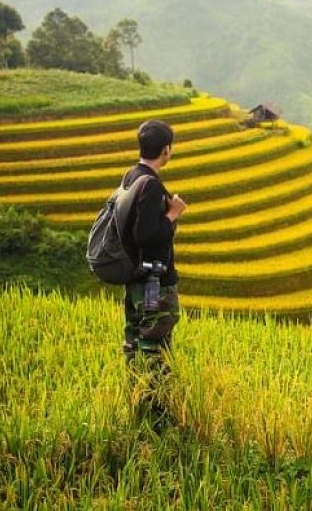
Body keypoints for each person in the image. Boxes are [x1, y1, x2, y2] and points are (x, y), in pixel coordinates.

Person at [120, 119, 188, 427]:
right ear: (166, 150)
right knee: (155, 344)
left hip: (137, 279)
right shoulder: (150, 185)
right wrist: (173, 214)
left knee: (136, 341)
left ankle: (138, 407)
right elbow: (146, 234)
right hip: (153, 282)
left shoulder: (131, 177)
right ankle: (158, 417)